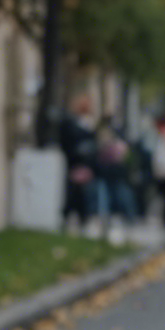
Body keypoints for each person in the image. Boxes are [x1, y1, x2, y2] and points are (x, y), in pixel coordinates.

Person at [58, 93, 101, 234]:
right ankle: (67, 219)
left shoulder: (90, 123)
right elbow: (66, 142)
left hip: (88, 165)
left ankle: (84, 219)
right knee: (73, 193)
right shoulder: (71, 122)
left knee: (86, 194)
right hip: (75, 163)